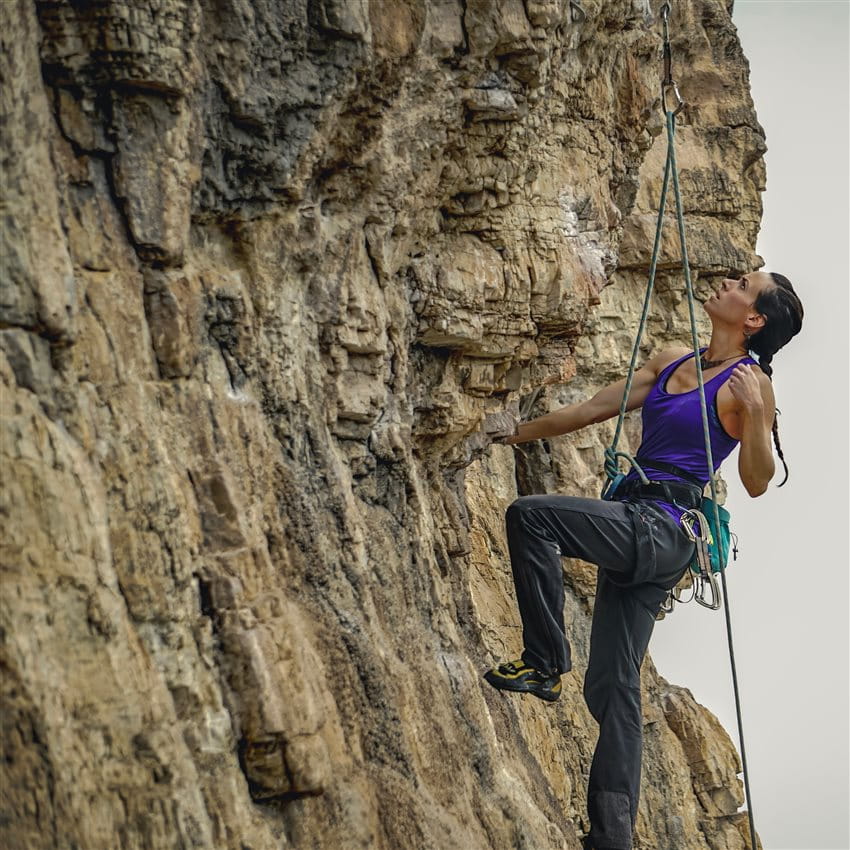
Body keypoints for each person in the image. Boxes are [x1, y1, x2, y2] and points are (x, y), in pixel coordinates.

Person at [484, 271, 804, 850]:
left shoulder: (747, 384)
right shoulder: (673, 359)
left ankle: (544, 661)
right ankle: (612, 840)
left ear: (753, 319)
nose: (728, 282)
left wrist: (757, 417)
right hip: (641, 523)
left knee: (531, 516)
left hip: (664, 528)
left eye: (742, 284)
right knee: (613, 684)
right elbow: (591, 410)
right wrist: (513, 434)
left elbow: (756, 481)